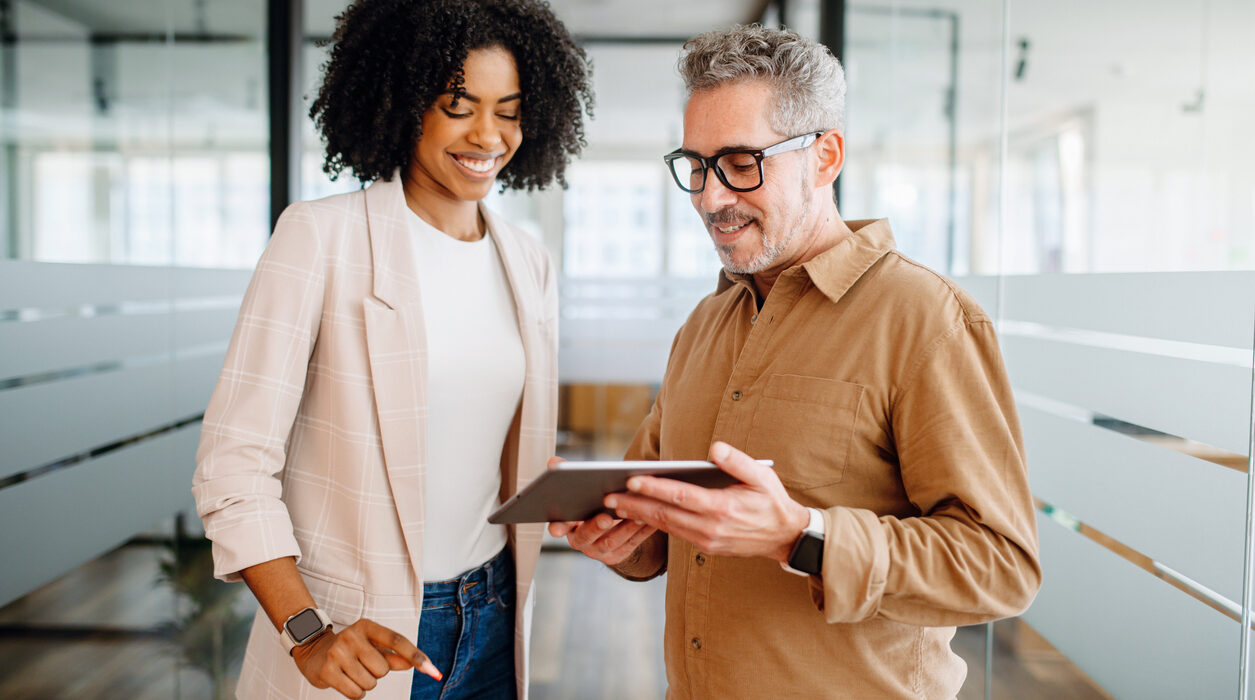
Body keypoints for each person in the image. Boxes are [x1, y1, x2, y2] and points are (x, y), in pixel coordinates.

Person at [550, 24, 1041, 699]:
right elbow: (658, 534)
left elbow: (1000, 567)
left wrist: (800, 536)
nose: (710, 197)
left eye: (740, 162)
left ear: (825, 157)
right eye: (696, 165)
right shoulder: (703, 325)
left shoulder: (926, 319)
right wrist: (617, 538)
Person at [192, 1, 591, 698]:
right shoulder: (320, 238)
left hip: (495, 610)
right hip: (362, 632)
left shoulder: (528, 261)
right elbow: (233, 466)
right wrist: (307, 632)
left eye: (509, 111)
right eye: (458, 106)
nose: (488, 135)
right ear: (404, 105)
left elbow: (497, 452)